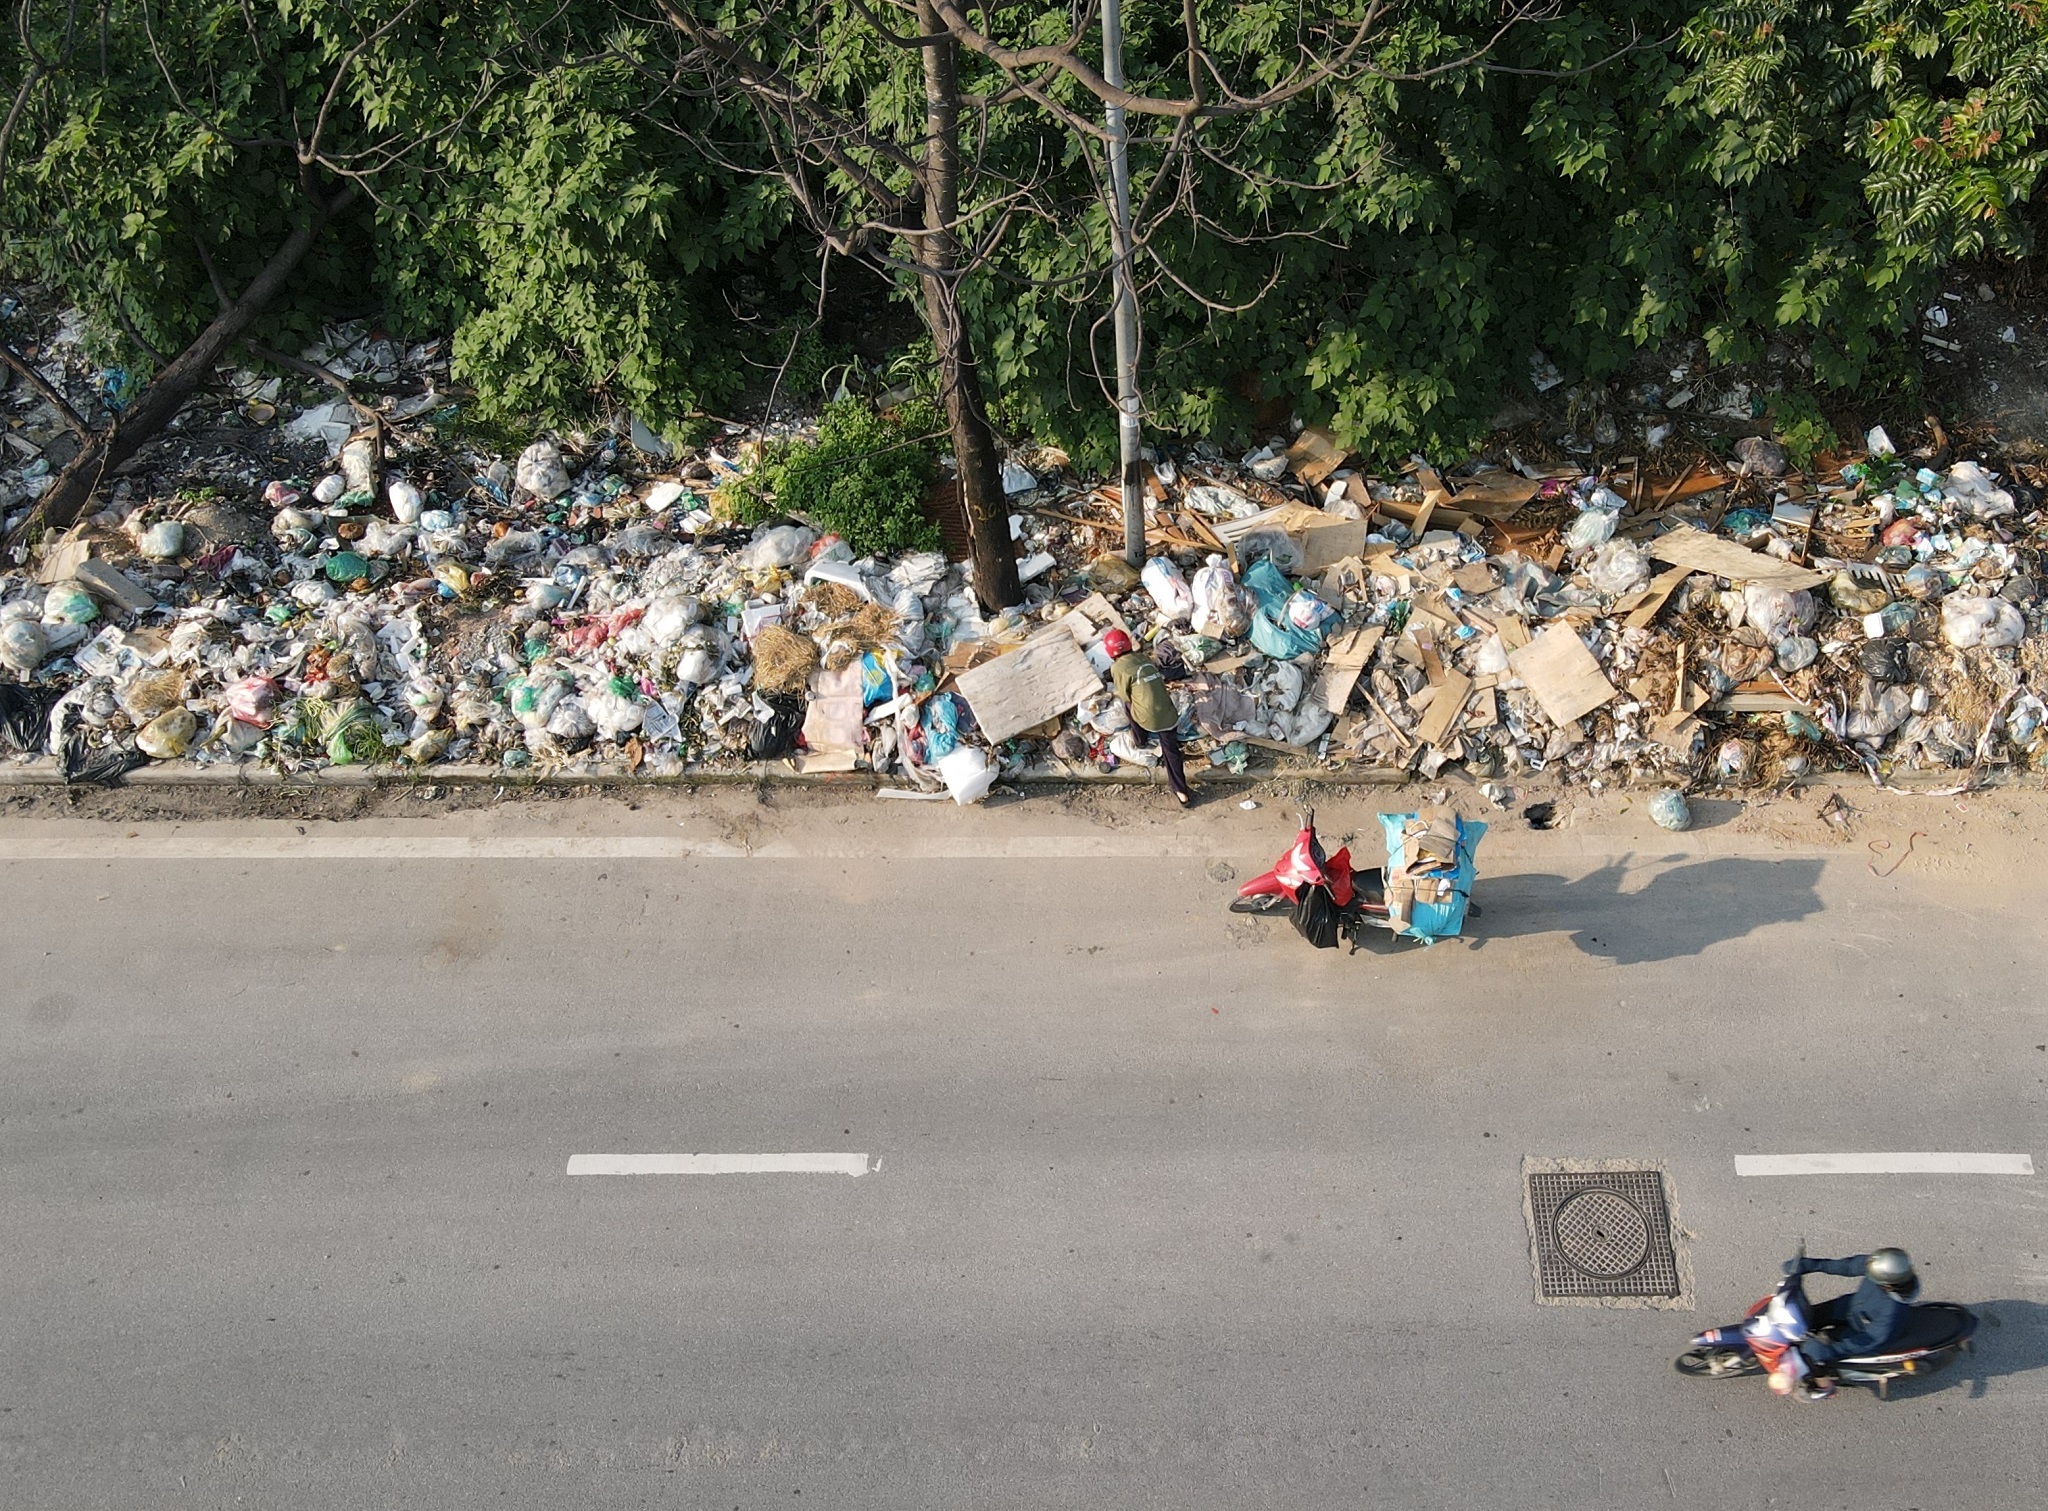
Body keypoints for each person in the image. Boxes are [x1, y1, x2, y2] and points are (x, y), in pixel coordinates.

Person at [1786, 1248, 1920, 1399]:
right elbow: (1848, 1266)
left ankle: (1824, 1387)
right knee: (1807, 1316)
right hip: (1853, 1306)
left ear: (1887, 1285)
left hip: (1862, 1332)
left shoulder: (1892, 1309)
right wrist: (1810, 1265)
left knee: (1814, 1351)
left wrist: (1832, 1349)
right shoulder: (1876, 1267)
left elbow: (1871, 1339)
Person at [1103, 628, 1193, 807]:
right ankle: (1182, 792)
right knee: (1171, 750)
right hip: (1169, 713)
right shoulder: (1144, 658)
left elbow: (1125, 696)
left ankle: (1140, 739)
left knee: (1127, 705)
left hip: (1148, 718)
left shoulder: (1117, 667)